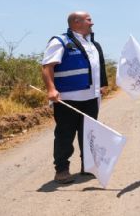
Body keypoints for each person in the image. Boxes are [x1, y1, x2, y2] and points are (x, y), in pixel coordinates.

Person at [41, 11, 108, 184]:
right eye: (88, 20)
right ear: (76, 22)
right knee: (65, 135)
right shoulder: (60, 42)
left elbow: (96, 67)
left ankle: (88, 167)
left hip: (91, 99)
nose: (92, 23)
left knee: (88, 135)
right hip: (67, 99)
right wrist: (51, 89)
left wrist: (101, 86)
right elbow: (47, 67)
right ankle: (61, 170)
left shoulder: (91, 44)